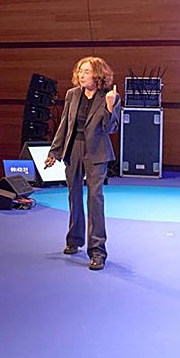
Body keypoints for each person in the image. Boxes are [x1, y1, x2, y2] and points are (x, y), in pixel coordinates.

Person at [45, 56, 121, 272]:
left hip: (97, 152)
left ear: (97, 75)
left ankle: (97, 251)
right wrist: (55, 151)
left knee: (95, 199)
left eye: (86, 71)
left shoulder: (110, 96)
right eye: (79, 71)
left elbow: (110, 128)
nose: (81, 75)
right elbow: (65, 125)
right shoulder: (72, 94)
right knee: (74, 195)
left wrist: (109, 106)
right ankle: (74, 239)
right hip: (73, 149)